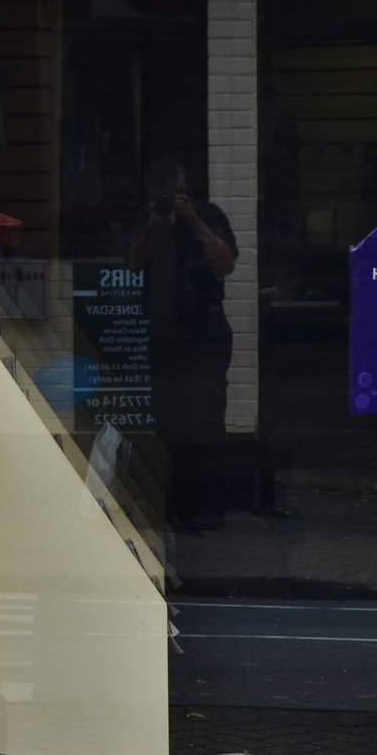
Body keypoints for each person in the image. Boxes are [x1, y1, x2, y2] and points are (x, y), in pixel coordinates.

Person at [127, 156, 238, 532]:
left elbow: (226, 262)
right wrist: (156, 227)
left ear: (186, 192)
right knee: (168, 422)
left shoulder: (208, 214)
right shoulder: (148, 216)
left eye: (171, 195)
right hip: (163, 334)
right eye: (158, 195)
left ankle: (210, 506)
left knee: (206, 420)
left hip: (205, 333)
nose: (164, 200)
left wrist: (193, 220)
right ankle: (174, 506)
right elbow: (134, 263)